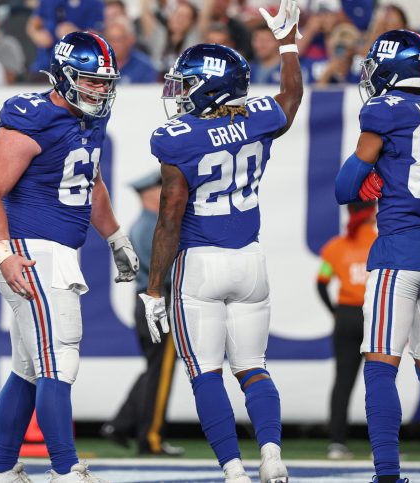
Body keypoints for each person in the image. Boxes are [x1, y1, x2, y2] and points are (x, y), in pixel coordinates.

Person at [139, 0, 303, 480]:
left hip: (200, 263)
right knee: (253, 366)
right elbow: (290, 98)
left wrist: (153, 288)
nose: (182, 93)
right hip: (250, 260)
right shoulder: (257, 118)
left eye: (189, 84)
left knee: (205, 372)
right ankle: (272, 457)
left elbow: (170, 218)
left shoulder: (179, 136)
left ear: (209, 86)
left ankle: (233, 470)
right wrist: (288, 42)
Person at [0, 31, 138, 483]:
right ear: (64, 76)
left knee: (28, 369)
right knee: (59, 360)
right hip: (30, 253)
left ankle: (3, 468)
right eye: (90, 81)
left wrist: (117, 238)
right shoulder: (34, 118)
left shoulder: (89, 121)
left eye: (105, 82)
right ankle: (66, 470)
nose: (100, 90)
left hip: (54, 253)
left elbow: (91, 183)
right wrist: (5, 253)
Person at [335, 29, 420, 483]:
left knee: (379, 369)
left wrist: (373, 172)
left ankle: (388, 475)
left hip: (400, 252)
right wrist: (386, 171)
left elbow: (343, 188)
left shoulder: (383, 110)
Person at [100, 171, 184, 457]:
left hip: (147, 303)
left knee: (154, 369)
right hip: (158, 303)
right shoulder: (154, 227)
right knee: (161, 371)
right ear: (151, 193)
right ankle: (150, 438)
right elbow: (167, 272)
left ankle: (121, 424)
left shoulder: (144, 224)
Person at [316, 201, 377, 460]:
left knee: (343, 381)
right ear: (372, 211)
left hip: (346, 316)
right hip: (373, 317)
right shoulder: (381, 242)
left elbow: (321, 282)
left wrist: (335, 312)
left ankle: (337, 444)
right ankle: (383, 446)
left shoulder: (335, 247)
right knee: (380, 381)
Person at [103, 16, 157, 84]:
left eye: (117, 40)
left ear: (130, 40)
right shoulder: (95, 65)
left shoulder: (145, 68)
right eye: (109, 40)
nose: (112, 44)